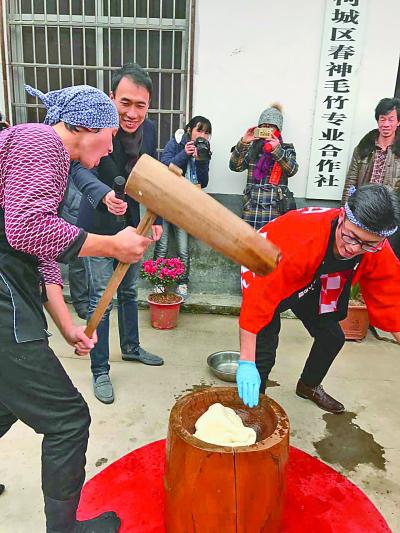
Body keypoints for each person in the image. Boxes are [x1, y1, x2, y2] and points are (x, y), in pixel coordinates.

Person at [0, 84, 153, 532]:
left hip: (13, 285)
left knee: (8, 403)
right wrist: (111, 243)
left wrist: (66, 325)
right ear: (85, 128)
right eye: (107, 133)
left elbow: (40, 247)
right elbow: (27, 229)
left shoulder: (52, 157)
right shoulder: (40, 142)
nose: (110, 146)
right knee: (68, 420)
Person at [236, 184, 400, 412]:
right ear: (342, 215)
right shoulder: (299, 237)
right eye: (351, 237)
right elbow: (257, 300)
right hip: (268, 269)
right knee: (262, 353)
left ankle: (308, 385)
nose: (354, 248)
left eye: (367, 244)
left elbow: (392, 298)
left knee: (332, 336)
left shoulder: (375, 247)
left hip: (313, 279)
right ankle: (254, 407)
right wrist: (245, 361)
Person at [75, 63, 164, 405]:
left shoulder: (151, 130)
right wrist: (102, 194)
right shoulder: (94, 123)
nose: (132, 113)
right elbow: (79, 170)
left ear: (148, 105)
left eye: (140, 105)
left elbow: (150, 174)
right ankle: (100, 370)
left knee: (128, 291)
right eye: (125, 103)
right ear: (111, 97)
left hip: (133, 225)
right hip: (98, 227)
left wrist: (153, 216)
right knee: (101, 297)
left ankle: (131, 347)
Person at [153, 115, 212, 299]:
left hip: (185, 206)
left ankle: (182, 283)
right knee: (161, 247)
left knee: (183, 249)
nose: (203, 135)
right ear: (190, 130)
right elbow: (164, 167)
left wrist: (201, 161)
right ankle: (158, 282)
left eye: (207, 132)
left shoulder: (204, 150)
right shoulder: (176, 143)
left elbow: (204, 182)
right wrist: (184, 154)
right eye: (199, 130)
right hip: (165, 203)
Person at [341, 97, 400, 259]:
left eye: (391, 119)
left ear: (398, 122)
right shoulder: (363, 148)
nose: (386, 124)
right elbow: (350, 182)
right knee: (356, 255)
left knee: (383, 258)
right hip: (361, 211)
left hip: (388, 215)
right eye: (382, 119)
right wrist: (343, 210)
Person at [229, 103, 298, 230]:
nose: (266, 130)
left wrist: (277, 149)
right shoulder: (251, 148)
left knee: (274, 244)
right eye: (263, 126)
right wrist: (243, 142)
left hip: (275, 210)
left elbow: (292, 170)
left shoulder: (286, 149)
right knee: (250, 246)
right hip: (252, 210)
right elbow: (235, 166)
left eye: (270, 127)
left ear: (278, 129)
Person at [60, 172, 89, 319]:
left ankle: (88, 299)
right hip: (73, 207)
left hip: (95, 204)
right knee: (78, 260)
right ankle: (81, 302)